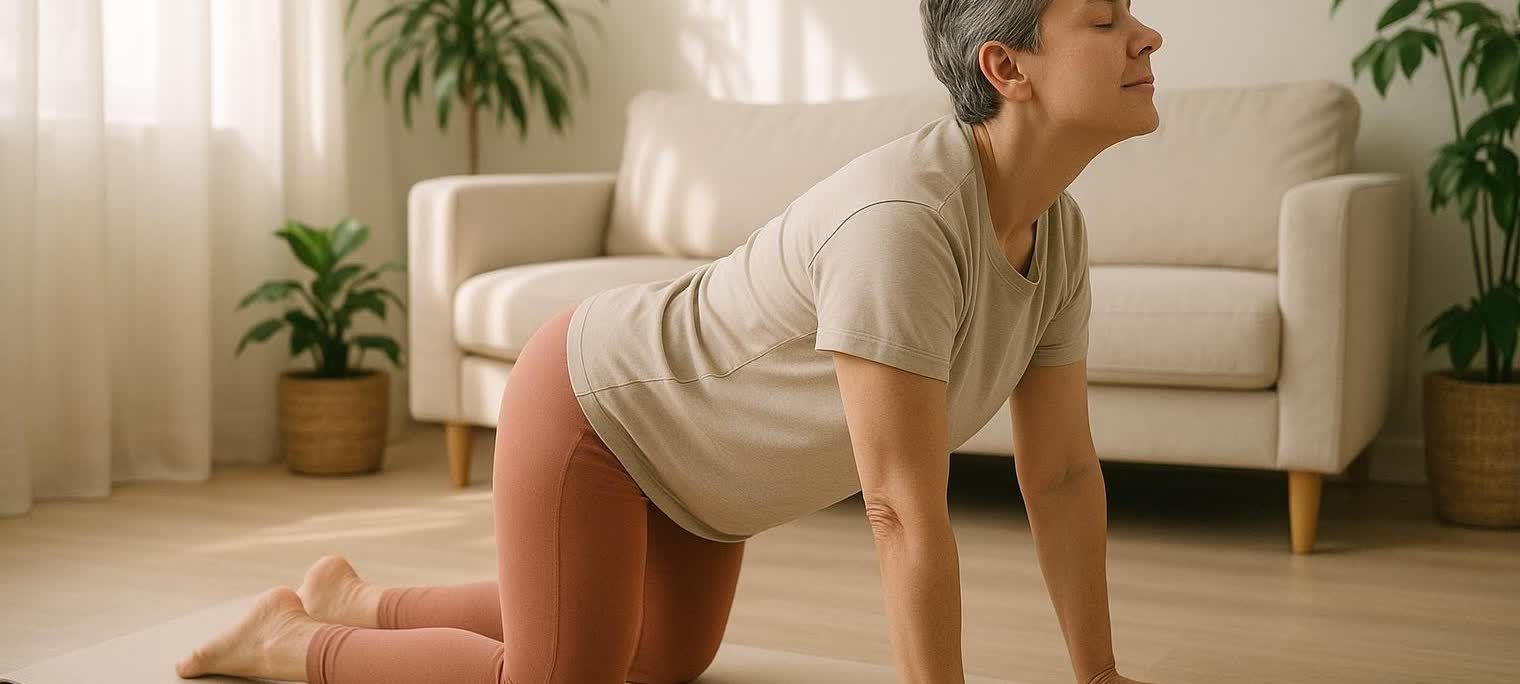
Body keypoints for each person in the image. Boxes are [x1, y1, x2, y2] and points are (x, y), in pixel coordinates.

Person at [174, 0, 1163, 682]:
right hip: (596, 409)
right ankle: (284, 642)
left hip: (701, 484)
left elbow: (1063, 476)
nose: (1145, 35)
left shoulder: (1054, 231)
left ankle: (359, 598)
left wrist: (1101, 673)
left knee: (663, 658)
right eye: (1105, 19)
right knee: (559, 677)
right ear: (1005, 68)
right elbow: (902, 511)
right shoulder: (904, 222)